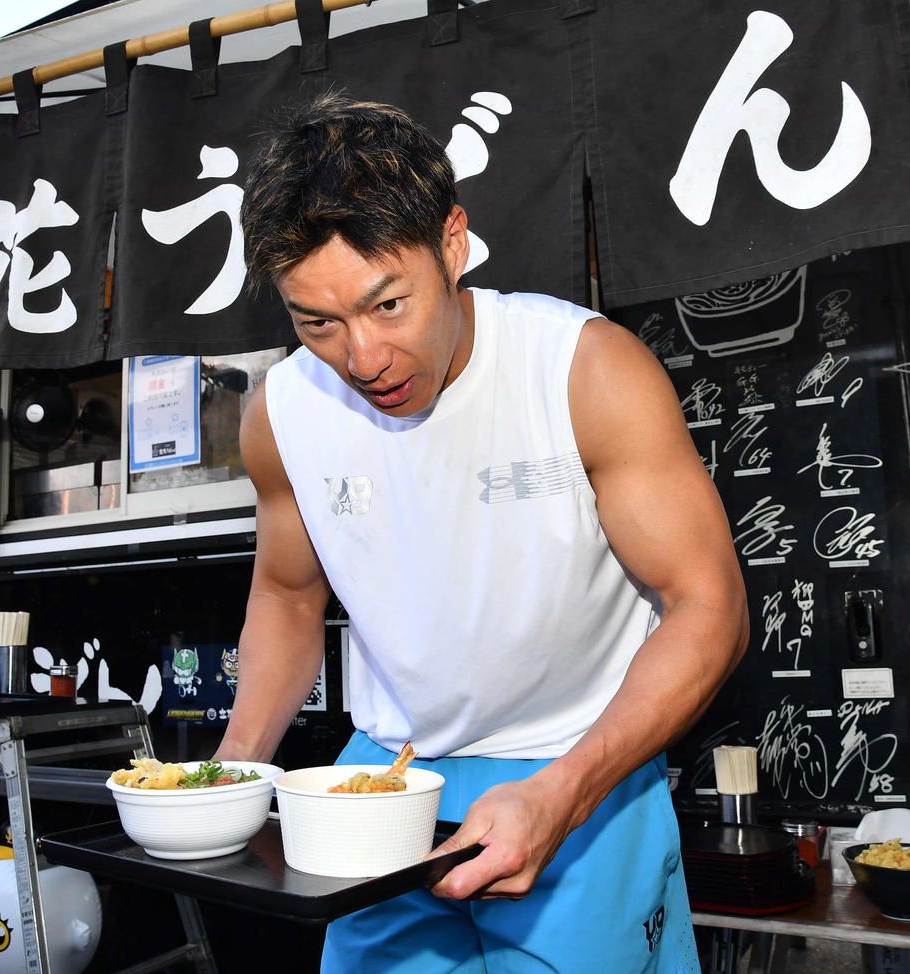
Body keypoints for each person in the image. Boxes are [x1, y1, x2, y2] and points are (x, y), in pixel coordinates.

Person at [214, 94, 749, 973]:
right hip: (381, 779)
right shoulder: (282, 413)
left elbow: (708, 604)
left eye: (388, 305)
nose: (362, 358)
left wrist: (565, 791)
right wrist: (234, 774)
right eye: (317, 323)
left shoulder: (581, 368)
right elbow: (286, 594)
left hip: (578, 763)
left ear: (452, 243)